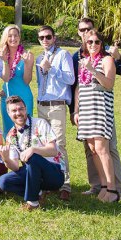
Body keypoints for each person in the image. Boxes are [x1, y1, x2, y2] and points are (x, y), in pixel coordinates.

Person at [70, 16, 121, 199]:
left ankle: (114, 190)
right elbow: (78, 87)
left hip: (100, 109)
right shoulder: (81, 59)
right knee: (93, 150)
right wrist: (76, 111)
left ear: (101, 43)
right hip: (85, 110)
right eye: (89, 40)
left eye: (95, 41)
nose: (92, 42)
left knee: (105, 149)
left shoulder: (107, 59)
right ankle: (102, 186)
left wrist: (93, 70)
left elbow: (110, 84)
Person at [0, 96, 66, 211]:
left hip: (53, 173)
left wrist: (33, 149)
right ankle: (38, 193)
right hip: (32, 173)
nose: (18, 113)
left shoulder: (40, 123)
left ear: (26, 109)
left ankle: (33, 202)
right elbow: (14, 166)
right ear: (8, 113)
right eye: (14, 111)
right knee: (3, 181)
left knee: (32, 157)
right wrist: (6, 159)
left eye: (21, 109)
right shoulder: (10, 135)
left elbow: (53, 150)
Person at [34, 25, 75, 200]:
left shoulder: (63, 55)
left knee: (59, 144)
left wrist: (51, 68)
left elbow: (70, 78)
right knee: (45, 144)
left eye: (48, 37)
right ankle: (50, 181)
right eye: (41, 38)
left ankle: (65, 183)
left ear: (54, 37)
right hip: (42, 105)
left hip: (57, 105)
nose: (45, 40)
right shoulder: (39, 57)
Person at [0, 25, 35, 135]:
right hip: (8, 96)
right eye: (10, 36)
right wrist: (5, 61)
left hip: (24, 96)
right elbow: (5, 78)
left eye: (16, 35)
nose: (13, 38)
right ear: (5, 38)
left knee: (25, 130)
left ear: (19, 37)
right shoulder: (1, 55)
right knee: (9, 131)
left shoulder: (27, 55)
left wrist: (27, 64)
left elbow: (27, 80)